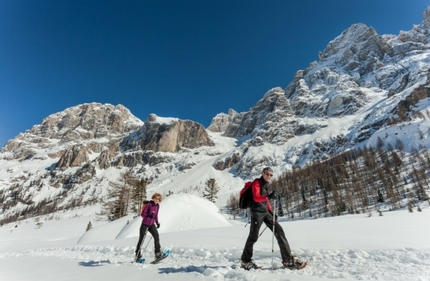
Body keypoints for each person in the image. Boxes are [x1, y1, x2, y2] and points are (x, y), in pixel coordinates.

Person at [240, 167, 305, 270]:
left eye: (271, 175)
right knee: (253, 236)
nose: (269, 176)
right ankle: (245, 261)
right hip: (257, 213)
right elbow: (256, 197)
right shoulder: (257, 183)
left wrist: (271, 212)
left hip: (266, 212)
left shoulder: (267, 185)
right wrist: (269, 196)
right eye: (267, 174)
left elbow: (266, 201)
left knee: (279, 231)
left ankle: (287, 260)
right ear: (262, 173)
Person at [134, 193, 163, 261]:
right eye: (156, 198)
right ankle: (137, 255)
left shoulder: (157, 206)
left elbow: (156, 215)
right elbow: (142, 214)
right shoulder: (149, 204)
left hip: (151, 225)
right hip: (145, 224)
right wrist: (149, 215)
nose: (156, 200)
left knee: (156, 237)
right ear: (153, 198)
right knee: (141, 240)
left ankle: (157, 253)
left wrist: (157, 222)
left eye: (158, 199)